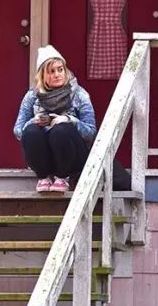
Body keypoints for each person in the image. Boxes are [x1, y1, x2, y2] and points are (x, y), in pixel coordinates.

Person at [13, 45, 96, 194]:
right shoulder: (32, 96)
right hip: (44, 157)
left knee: (61, 130)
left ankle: (62, 177)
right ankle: (43, 178)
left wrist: (68, 119)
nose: (57, 75)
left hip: (72, 156)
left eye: (60, 69)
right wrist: (34, 121)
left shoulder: (79, 94)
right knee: (31, 131)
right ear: (42, 75)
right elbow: (18, 131)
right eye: (51, 71)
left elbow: (91, 132)